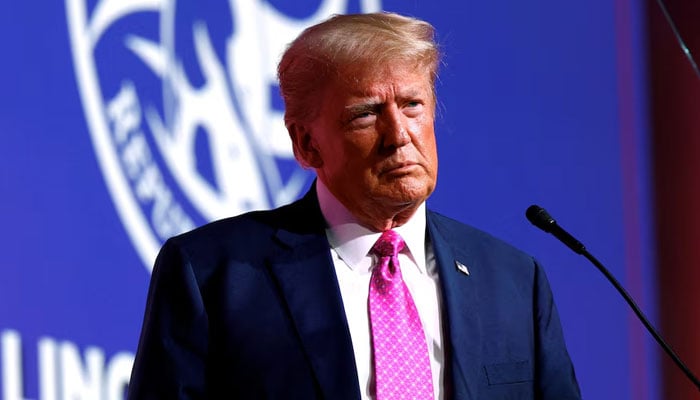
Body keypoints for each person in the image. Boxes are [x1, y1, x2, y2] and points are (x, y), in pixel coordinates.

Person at [127, 12, 581, 399]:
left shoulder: (514, 281)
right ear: (306, 144)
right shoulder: (214, 273)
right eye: (366, 113)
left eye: (412, 105)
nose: (399, 134)